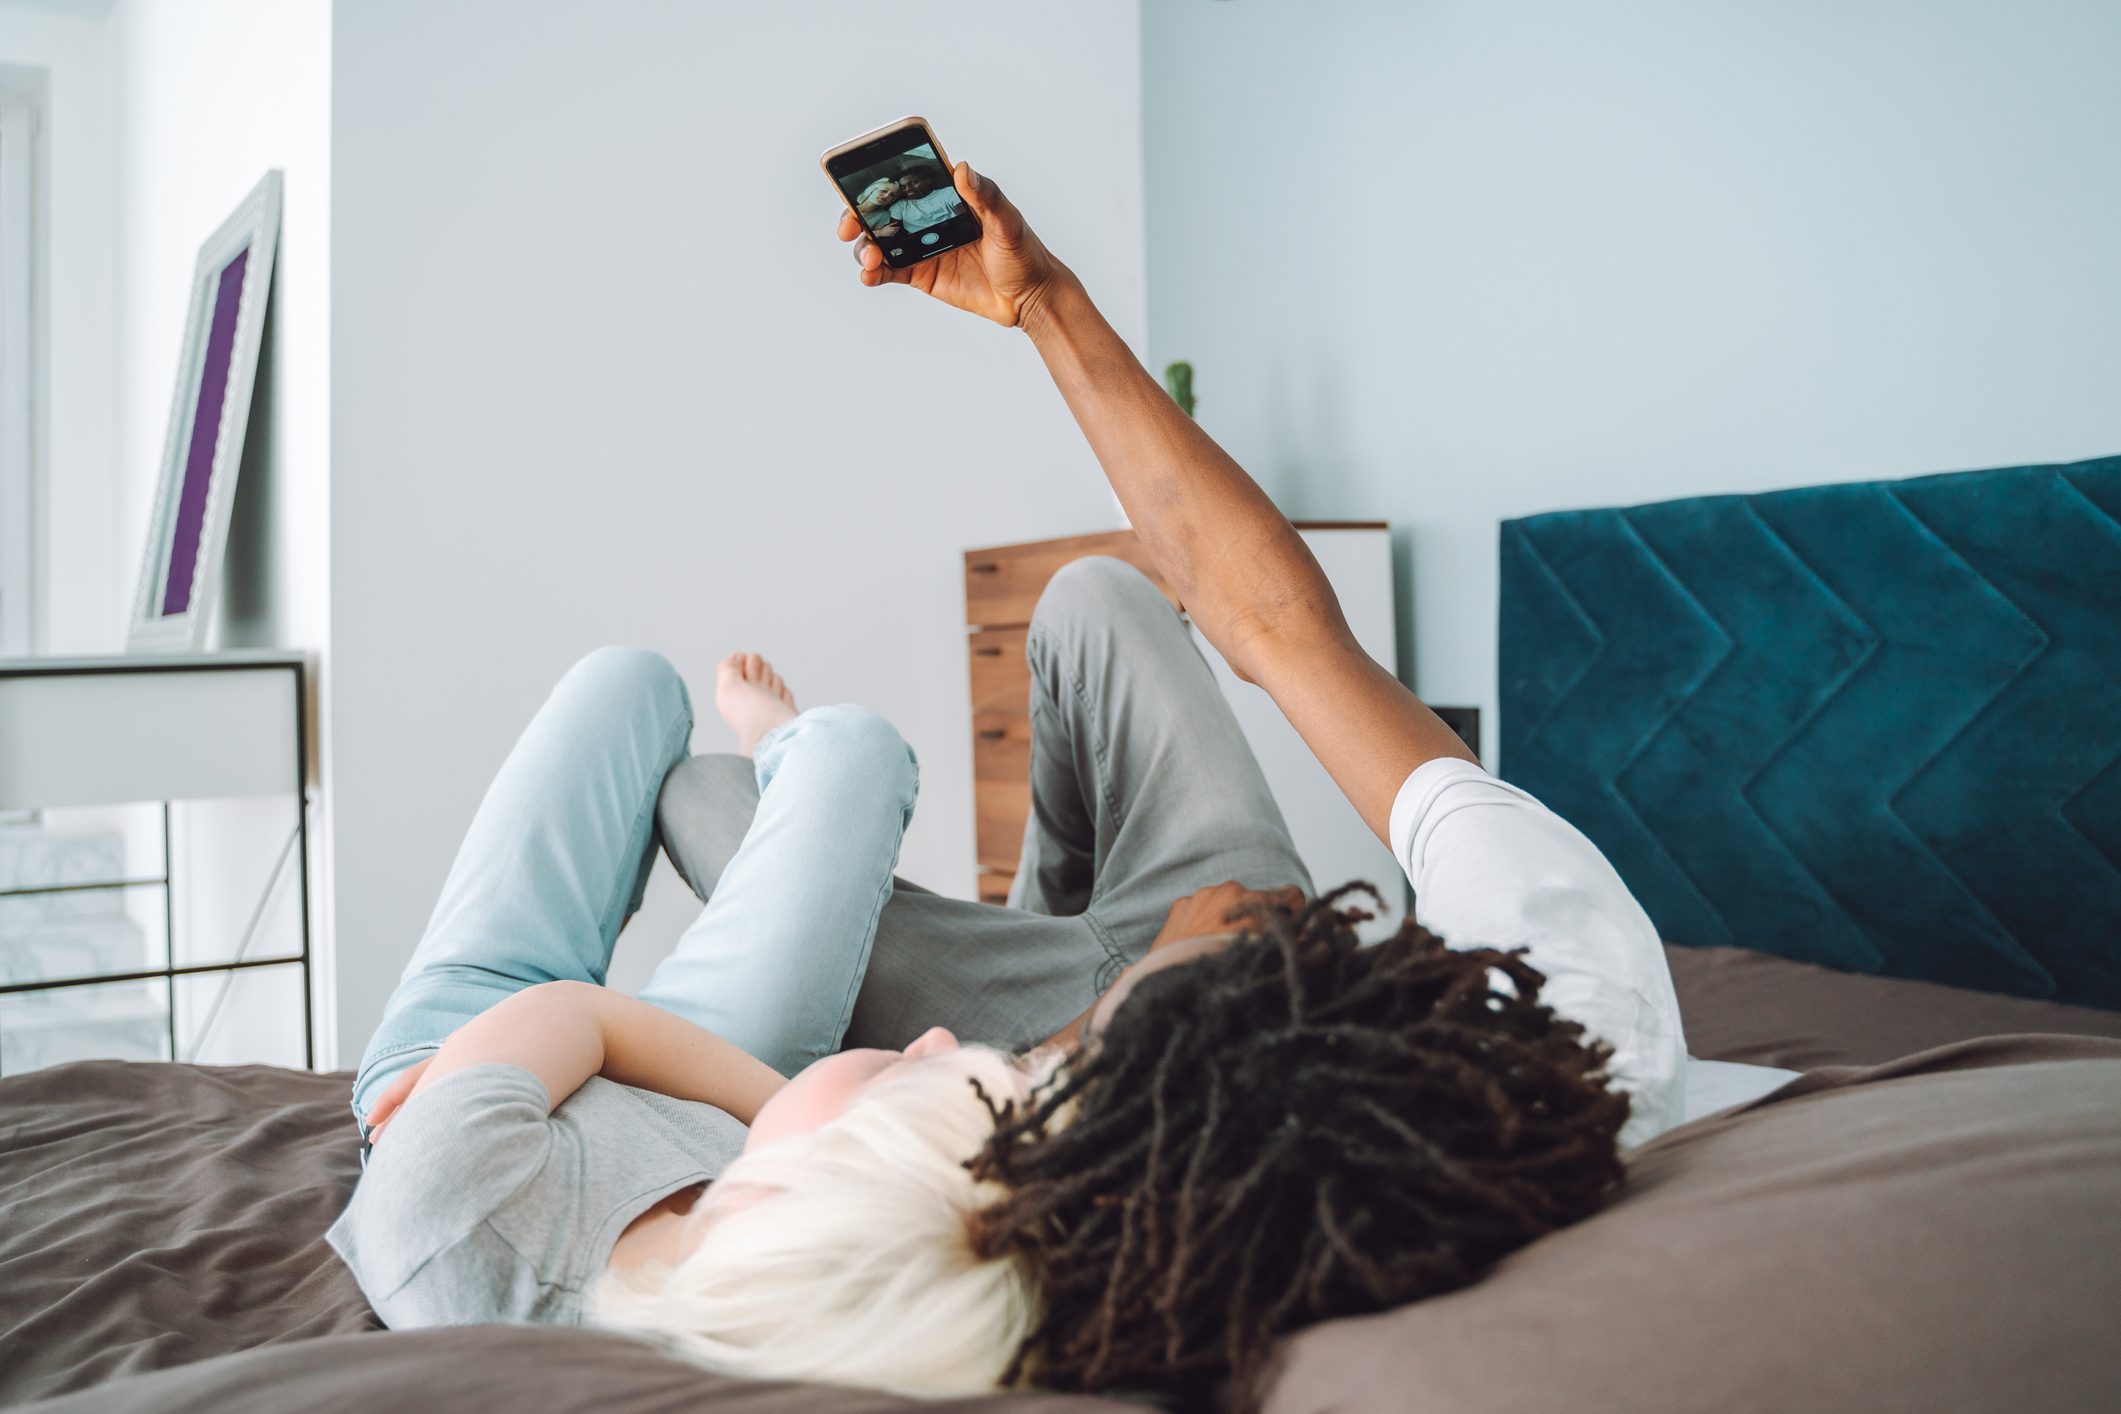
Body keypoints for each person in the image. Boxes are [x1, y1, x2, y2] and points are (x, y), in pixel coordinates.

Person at [884, 167, 964, 234]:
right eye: (903, 187)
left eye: (913, 183)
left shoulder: (948, 192)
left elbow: (964, 215)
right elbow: (892, 231)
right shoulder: (900, 206)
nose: (908, 189)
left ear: (928, 180)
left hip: (954, 231)